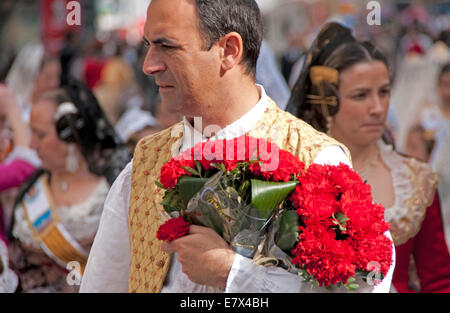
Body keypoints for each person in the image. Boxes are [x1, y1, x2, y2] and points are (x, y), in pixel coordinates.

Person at [80, 0, 394, 293]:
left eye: (167, 46)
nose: (149, 65)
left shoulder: (313, 158)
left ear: (229, 50)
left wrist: (236, 275)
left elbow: (368, 282)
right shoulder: (145, 164)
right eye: (148, 45)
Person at [286, 22, 450, 293]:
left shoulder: (415, 179)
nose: (377, 108)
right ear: (328, 101)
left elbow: (439, 281)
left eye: (384, 92)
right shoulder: (295, 173)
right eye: (361, 95)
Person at [8, 80, 130, 292]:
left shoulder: (114, 188)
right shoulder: (32, 189)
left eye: (40, 135)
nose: (31, 145)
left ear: (70, 135)